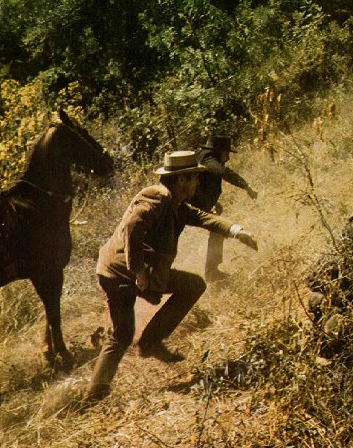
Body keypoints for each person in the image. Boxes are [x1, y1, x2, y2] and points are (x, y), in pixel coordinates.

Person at [88, 150, 258, 400]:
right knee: (121, 335)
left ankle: (150, 343)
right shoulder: (155, 198)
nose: (198, 183)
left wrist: (236, 230)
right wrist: (138, 271)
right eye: (194, 178)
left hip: (134, 273)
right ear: (181, 180)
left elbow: (200, 217)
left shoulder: (174, 203)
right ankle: (94, 396)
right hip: (119, 274)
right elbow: (132, 226)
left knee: (192, 285)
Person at [190, 135, 258, 282]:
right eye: (226, 154)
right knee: (219, 228)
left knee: (218, 229)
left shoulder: (204, 157)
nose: (227, 158)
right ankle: (211, 272)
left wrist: (212, 202)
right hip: (185, 207)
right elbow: (222, 172)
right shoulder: (207, 157)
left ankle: (212, 272)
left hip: (191, 204)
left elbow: (203, 183)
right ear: (219, 151)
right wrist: (245, 185)